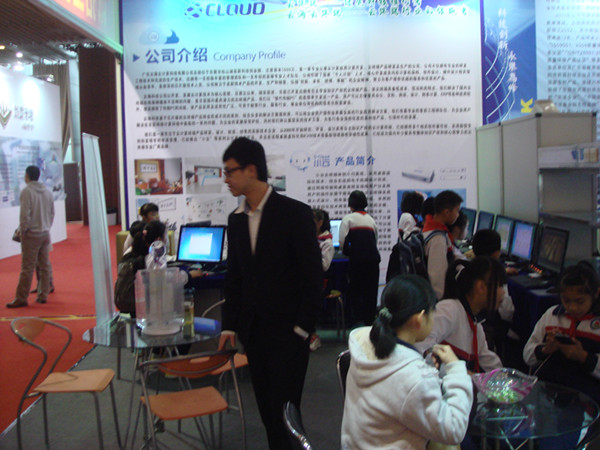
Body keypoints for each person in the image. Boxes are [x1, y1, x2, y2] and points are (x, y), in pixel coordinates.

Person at [218, 137, 323, 450]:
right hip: (253, 334)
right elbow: (235, 277)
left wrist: (302, 328)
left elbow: (312, 276)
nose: (226, 179)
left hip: (289, 334)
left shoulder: (294, 214)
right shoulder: (236, 219)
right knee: (266, 412)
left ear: (251, 170)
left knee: (286, 414)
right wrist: (229, 325)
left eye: (230, 171)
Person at [341, 275, 473, 449]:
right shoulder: (414, 378)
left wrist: (425, 370)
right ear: (420, 318)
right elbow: (454, 429)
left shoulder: (366, 343)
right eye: (433, 312)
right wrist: (455, 368)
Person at [523, 261, 600, 403]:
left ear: (596, 294)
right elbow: (527, 355)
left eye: (580, 301)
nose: (572, 307)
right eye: (566, 300)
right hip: (548, 391)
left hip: (588, 397)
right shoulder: (552, 315)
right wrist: (544, 350)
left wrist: (584, 357)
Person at [415, 256, 506, 372]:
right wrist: (460, 373)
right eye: (500, 286)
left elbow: (487, 359)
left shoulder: (475, 324)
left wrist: (504, 377)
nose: (503, 292)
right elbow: (419, 347)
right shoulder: (449, 310)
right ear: (481, 287)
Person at [7, 166, 55, 308]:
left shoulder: (27, 192)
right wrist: (46, 226)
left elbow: (25, 216)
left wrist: (22, 231)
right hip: (45, 233)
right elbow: (52, 213)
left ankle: (21, 298)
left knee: (27, 268)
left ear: (27, 176)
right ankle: (43, 295)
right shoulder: (47, 191)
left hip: (31, 234)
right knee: (44, 265)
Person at [339, 190, 381, 326]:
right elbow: (375, 241)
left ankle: (355, 320)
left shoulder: (348, 219)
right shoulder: (371, 220)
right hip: (373, 260)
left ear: (350, 205)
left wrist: (347, 252)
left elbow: (342, 242)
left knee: (355, 291)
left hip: (357, 260)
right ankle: (369, 321)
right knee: (371, 292)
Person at [423, 190, 463, 299]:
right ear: (447, 212)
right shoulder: (438, 239)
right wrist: (442, 302)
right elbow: (437, 278)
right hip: (440, 299)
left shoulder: (431, 229)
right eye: (457, 211)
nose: (458, 215)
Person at [309, 208, 335, 351]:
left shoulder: (326, 243)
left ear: (320, 222)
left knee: (308, 296)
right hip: (309, 279)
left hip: (321, 282)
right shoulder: (309, 238)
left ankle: (313, 335)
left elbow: (324, 266)